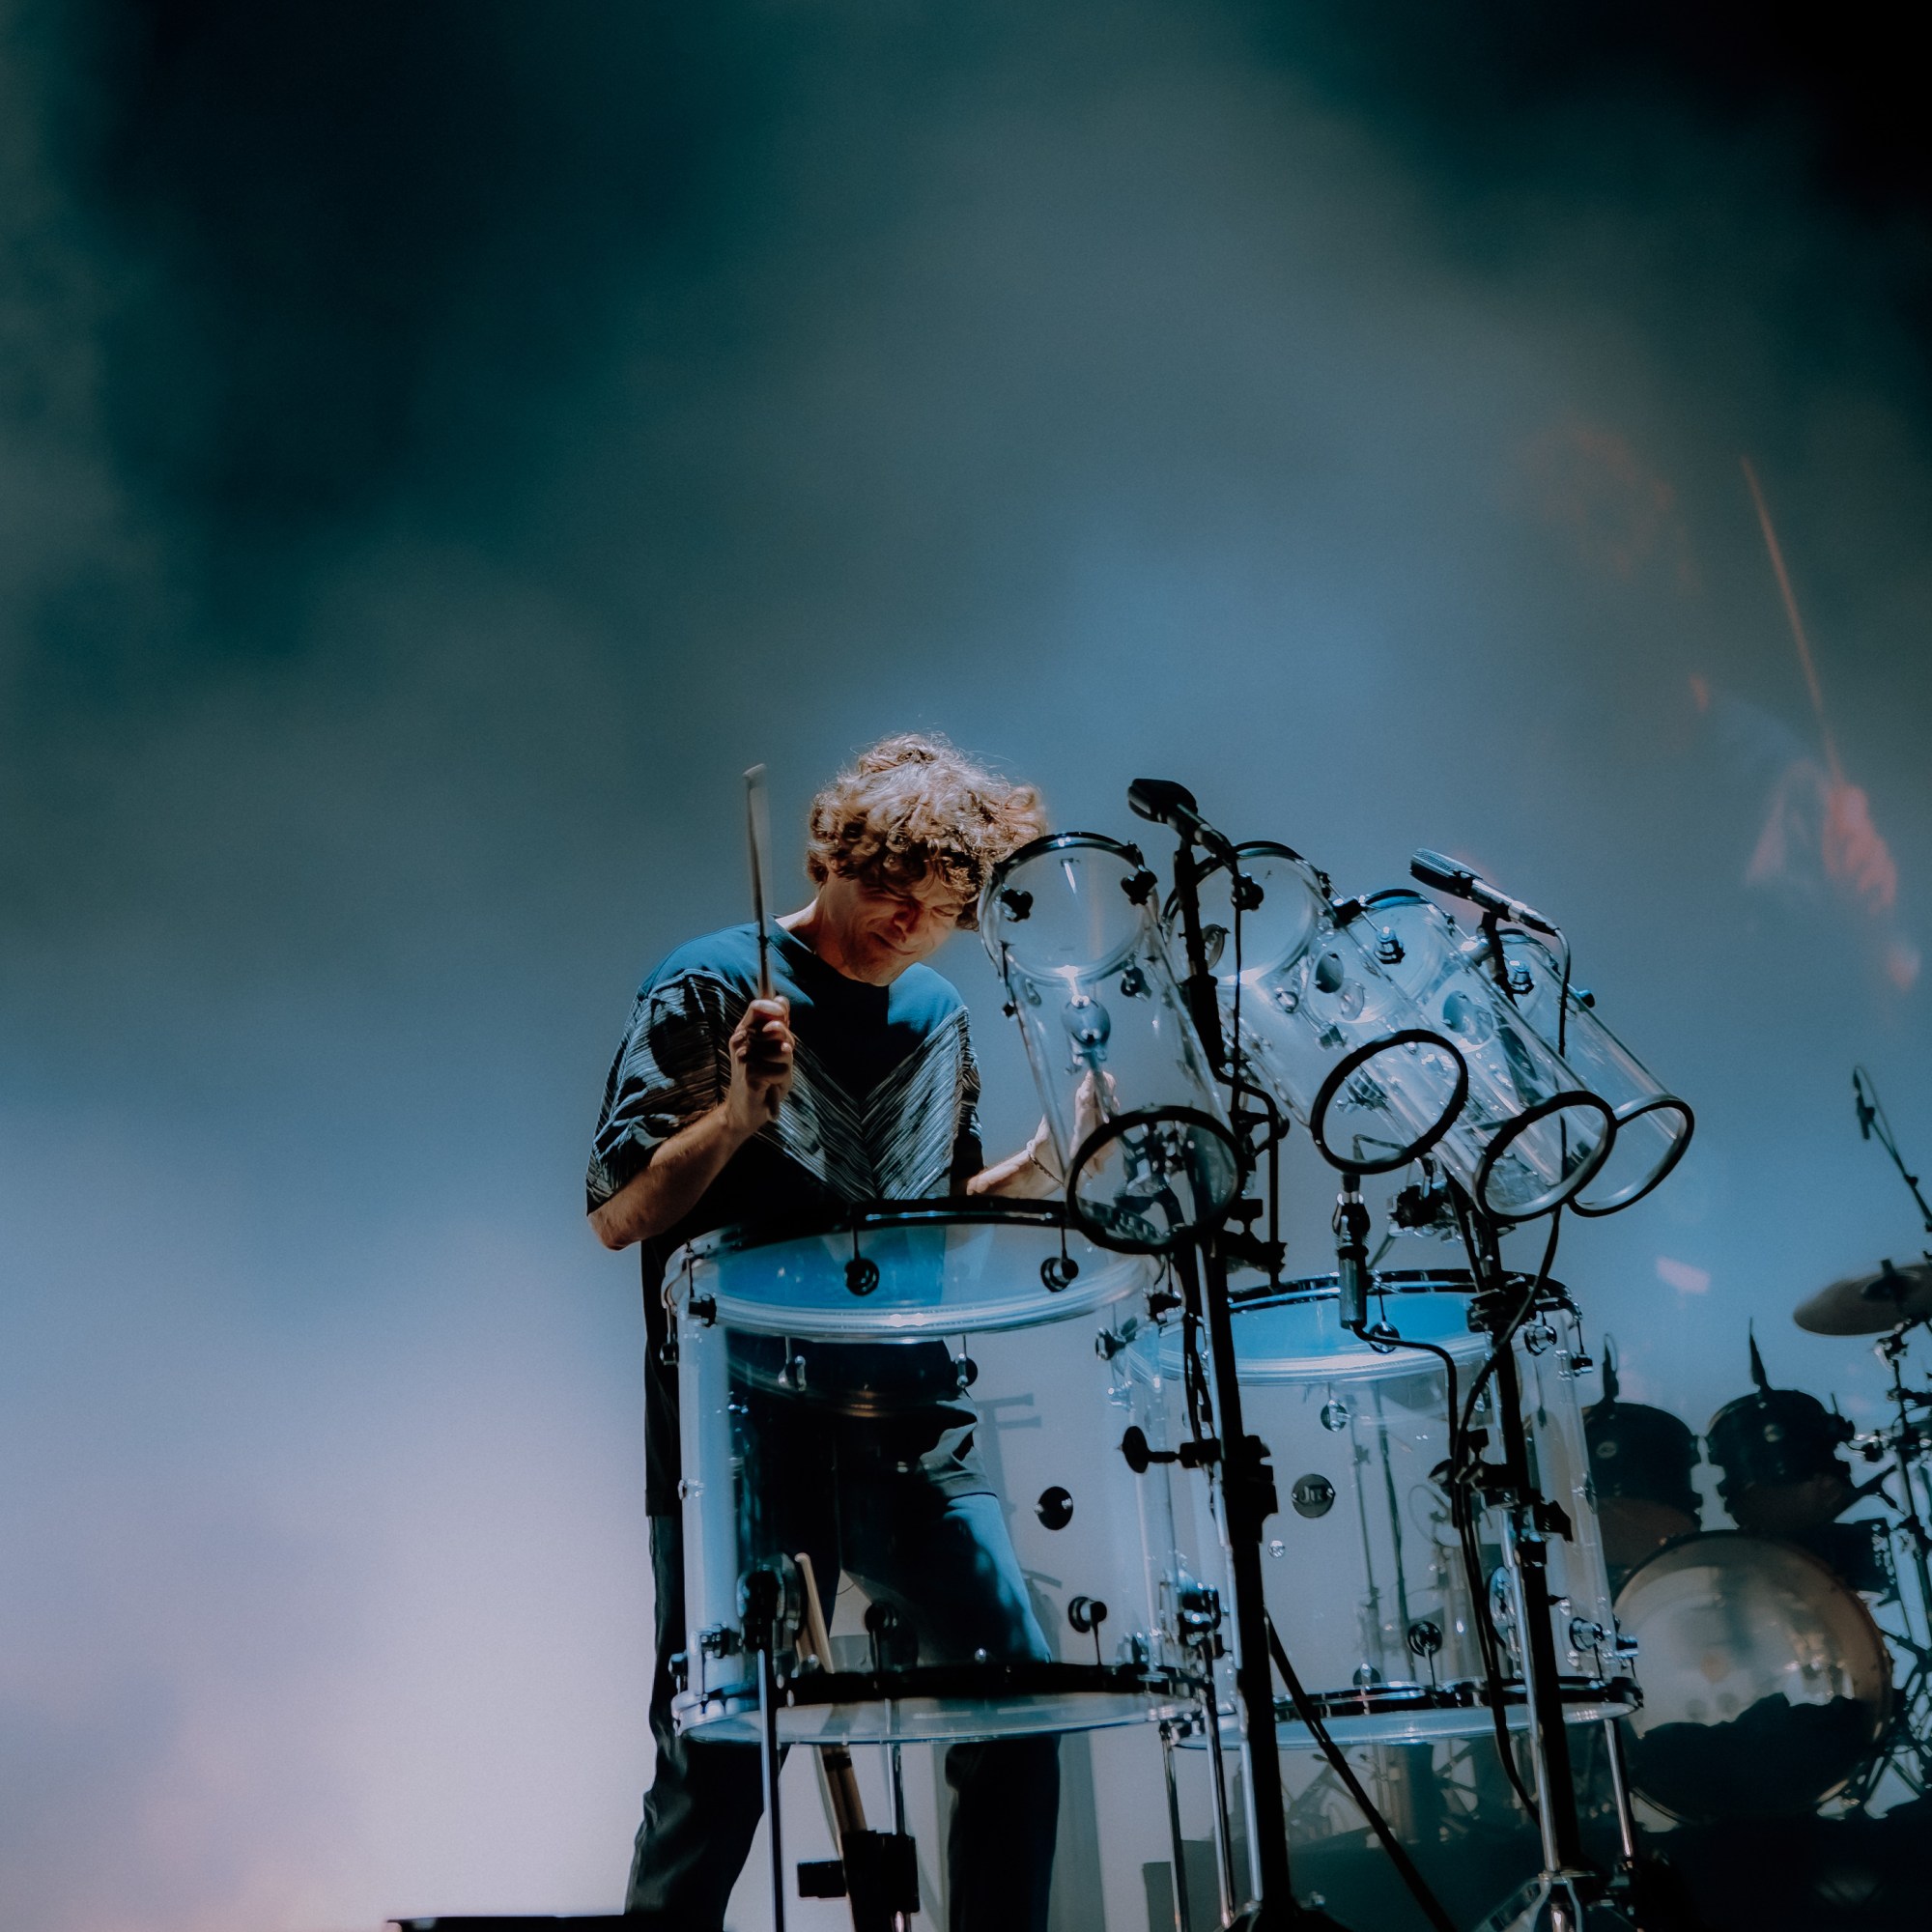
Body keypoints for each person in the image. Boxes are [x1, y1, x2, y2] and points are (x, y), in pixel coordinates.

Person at [586, 733, 1065, 1931]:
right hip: (740, 1420)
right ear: (836, 856)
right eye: (894, 889)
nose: (912, 922)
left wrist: (1036, 1173)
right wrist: (736, 1114)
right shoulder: (709, 984)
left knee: (1017, 1693)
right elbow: (615, 1212)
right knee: (722, 1752)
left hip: (907, 1416)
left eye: (945, 909)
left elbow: (929, 1240)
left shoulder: (938, 1012)